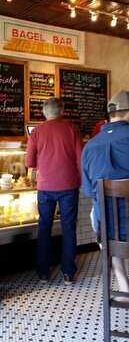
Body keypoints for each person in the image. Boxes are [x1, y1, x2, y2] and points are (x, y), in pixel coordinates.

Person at [25, 98, 82, 284]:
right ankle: (68, 272)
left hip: (46, 187)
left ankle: (43, 272)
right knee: (69, 227)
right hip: (68, 185)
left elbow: (29, 162)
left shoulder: (37, 132)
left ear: (43, 112)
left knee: (44, 227)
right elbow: (80, 158)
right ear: (62, 110)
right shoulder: (72, 129)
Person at [81, 90, 129, 295]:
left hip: (109, 232)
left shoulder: (90, 146)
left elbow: (89, 190)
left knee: (98, 214)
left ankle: (124, 287)